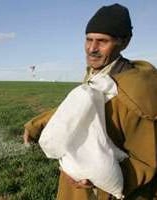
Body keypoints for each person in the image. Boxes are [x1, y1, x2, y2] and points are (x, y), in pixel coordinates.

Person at [23, 3, 157, 200]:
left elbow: (148, 159)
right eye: (88, 39)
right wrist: (36, 125)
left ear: (124, 42)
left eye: (102, 41)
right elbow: (77, 109)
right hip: (78, 188)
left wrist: (101, 180)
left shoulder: (139, 95)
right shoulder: (97, 75)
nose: (92, 49)